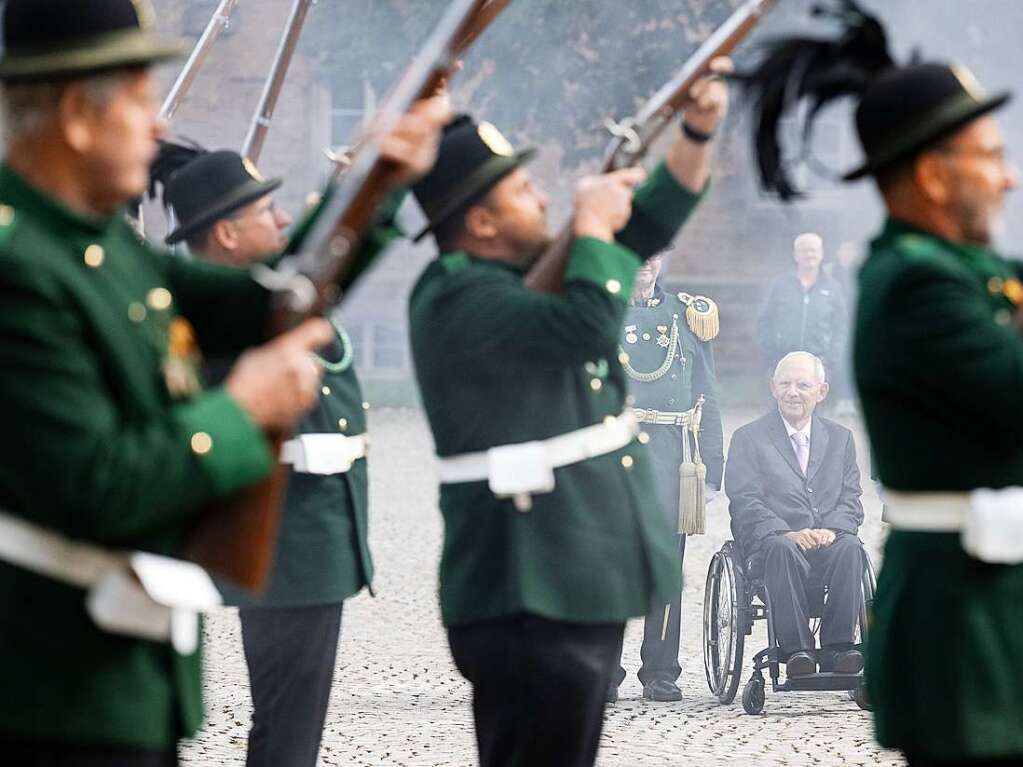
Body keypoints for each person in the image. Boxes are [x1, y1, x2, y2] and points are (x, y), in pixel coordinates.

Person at [0, 1, 445, 763]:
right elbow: (97, 484)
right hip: (49, 693)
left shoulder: (93, 242)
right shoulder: (20, 267)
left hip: (119, 681)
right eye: (141, 99)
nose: (159, 127)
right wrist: (243, 413)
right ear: (77, 115)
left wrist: (375, 182)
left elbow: (275, 300)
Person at [407, 57, 729, 767]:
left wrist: (696, 130)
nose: (544, 201)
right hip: (526, 585)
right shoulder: (456, 294)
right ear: (482, 220)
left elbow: (645, 225)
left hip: (575, 574)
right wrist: (588, 228)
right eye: (524, 191)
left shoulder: (516, 276)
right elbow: (589, 323)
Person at [738, 1, 1022, 763]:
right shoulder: (914, 284)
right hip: (965, 619)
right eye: (989, 156)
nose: (1009, 177)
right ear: (933, 175)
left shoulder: (966, 270)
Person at [157, 143, 429, 767]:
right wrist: (359, 191)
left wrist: (357, 190)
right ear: (225, 233)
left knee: (290, 727)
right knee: (286, 733)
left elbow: (319, 266)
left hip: (309, 542)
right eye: (266, 211)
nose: (281, 221)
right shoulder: (228, 311)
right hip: (284, 544)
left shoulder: (254, 300)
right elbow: (313, 271)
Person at [609, 252, 724, 702]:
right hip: (614, 450)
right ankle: (605, 671)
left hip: (673, 452)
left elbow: (706, 392)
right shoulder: (601, 311)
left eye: (652, 255)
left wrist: (712, 467)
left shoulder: (687, 315)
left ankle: (660, 671)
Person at [724, 352, 865, 677]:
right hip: (774, 547)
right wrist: (784, 532)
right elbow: (745, 500)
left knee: (850, 547)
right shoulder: (749, 438)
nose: (793, 392)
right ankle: (797, 651)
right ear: (773, 388)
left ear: (822, 391)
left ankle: (838, 648)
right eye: (785, 384)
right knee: (781, 548)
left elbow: (851, 497)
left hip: (828, 544)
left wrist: (832, 529)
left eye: (803, 385)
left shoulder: (840, 439)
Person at [757, 232, 848, 390]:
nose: (810, 254)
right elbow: (765, 321)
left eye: (814, 250)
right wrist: (772, 354)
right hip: (783, 363)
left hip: (818, 365)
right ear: (795, 254)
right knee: (782, 411)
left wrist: (831, 360)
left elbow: (841, 327)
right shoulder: (780, 285)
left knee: (813, 413)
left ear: (821, 254)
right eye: (804, 250)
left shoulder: (833, 287)